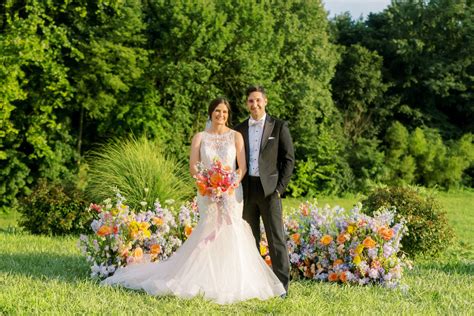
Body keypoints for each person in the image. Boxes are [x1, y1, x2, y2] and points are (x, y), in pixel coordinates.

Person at [101, 97, 285, 304]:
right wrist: (207, 185)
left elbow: (241, 167)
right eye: (217, 111)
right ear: (210, 113)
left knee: (232, 231)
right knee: (207, 232)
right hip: (206, 192)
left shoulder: (236, 137)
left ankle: (233, 280)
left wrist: (228, 185)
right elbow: (194, 167)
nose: (221, 115)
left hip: (232, 193)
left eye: (224, 112)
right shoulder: (200, 137)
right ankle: (201, 279)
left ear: (228, 115)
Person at [235, 86, 295, 295]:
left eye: (258, 100)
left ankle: (281, 287)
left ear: (265, 101)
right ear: (247, 104)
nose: (255, 104)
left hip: (270, 191)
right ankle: (256, 284)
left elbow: (288, 160)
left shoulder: (278, 126)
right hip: (247, 190)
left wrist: (279, 189)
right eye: (251, 101)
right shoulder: (239, 129)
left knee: (275, 239)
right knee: (250, 239)